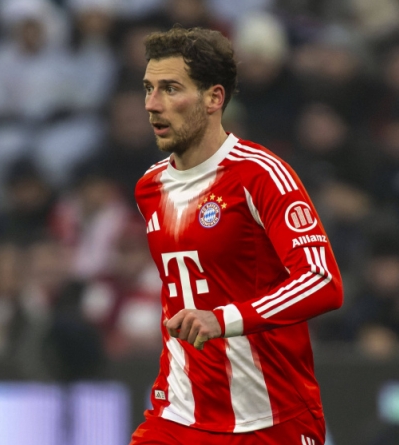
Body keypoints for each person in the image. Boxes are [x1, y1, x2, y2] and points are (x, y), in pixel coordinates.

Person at [130, 27, 344, 445]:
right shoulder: (149, 188)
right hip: (178, 415)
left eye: (171, 89)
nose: (152, 104)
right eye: (148, 89)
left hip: (270, 418)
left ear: (214, 98)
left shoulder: (260, 175)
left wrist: (223, 319)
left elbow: (322, 282)